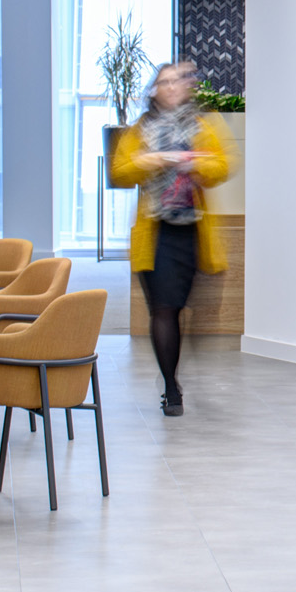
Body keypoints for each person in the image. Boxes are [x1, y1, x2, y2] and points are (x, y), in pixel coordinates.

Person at [112, 62, 235, 416]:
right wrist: (154, 159)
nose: (170, 88)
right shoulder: (140, 129)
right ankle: (170, 386)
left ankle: (173, 372)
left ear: (187, 88)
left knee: (181, 307)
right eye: (163, 82)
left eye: (176, 82)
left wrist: (191, 163)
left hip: (192, 233)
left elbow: (223, 166)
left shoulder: (201, 126)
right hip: (156, 233)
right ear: (153, 90)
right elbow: (120, 170)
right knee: (163, 309)